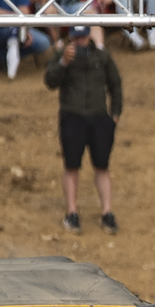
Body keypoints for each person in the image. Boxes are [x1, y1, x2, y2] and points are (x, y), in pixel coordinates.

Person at [45, 23, 124, 235]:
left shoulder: (102, 57)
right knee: (72, 166)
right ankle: (72, 212)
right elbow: (50, 81)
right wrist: (63, 63)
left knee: (102, 166)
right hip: (72, 116)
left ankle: (107, 211)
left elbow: (115, 83)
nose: (80, 42)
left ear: (88, 36)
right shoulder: (63, 55)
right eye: (76, 38)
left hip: (98, 117)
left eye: (83, 37)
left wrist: (115, 113)